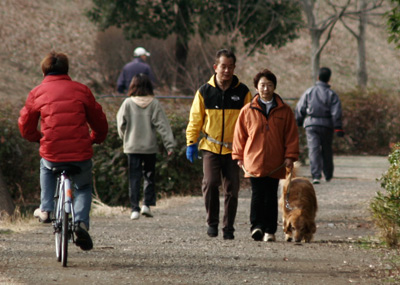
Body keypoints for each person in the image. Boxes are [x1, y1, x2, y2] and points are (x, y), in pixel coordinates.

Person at [18, 51, 108, 251]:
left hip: (52, 150)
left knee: (46, 165)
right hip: (80, 152)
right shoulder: (81, 90)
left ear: (44, 71)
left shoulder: (37, 93)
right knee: (83, 188)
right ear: (66, 70)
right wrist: (95, 138)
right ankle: (81, 223)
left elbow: (25, 125)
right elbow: (99, 121)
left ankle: (47, 209)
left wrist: (38, 138)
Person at [186, 49, 252, 240]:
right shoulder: (204, 92)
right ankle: (212, 223)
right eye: (223, 66)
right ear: (216, 67)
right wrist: (191, 142)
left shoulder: (243, 92)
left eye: (230, 67)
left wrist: (248, 146)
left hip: (234, 149)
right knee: (211, 183)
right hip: (210, 146)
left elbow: (250, 121)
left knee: (232, 188)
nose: (227, 71)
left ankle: (228, 227)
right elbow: (195, 119)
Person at [232, 68, 299, 242]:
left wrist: (290, 156)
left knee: (271, 195)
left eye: (269, 85)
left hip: (276, 161)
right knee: (257, 194)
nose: (265, 89)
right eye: (262, 85)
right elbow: (240, 135)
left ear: (274, 87)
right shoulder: (247, 110)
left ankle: (270, 230)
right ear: (256, 87)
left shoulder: (284, 111)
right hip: (253, 160)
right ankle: (256, 227)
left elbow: (291, 135)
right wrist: (238, 157)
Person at [117, 74, 175, 220]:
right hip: (149, 147)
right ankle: (146, 205)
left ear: (132, 86)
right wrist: (169, 145)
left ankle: (134, 209)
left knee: (134, 177)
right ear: (149, 86)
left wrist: (125, 138)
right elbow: (163, 125)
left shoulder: (127, 103)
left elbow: (120, 124)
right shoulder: (154, 104)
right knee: (149, 176)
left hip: (132, 146)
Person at [295, 67, 344, 185]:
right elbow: (336, 112)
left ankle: (316, 175)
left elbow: (300, 108)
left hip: (311, 125)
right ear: (329, 79)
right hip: (327, 125)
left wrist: (299, 121)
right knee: (326, 149)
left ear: (318, 78)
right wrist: (338, 127)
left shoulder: (309, 92)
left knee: (313, 149)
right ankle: (328, 174)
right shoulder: (332, 94)